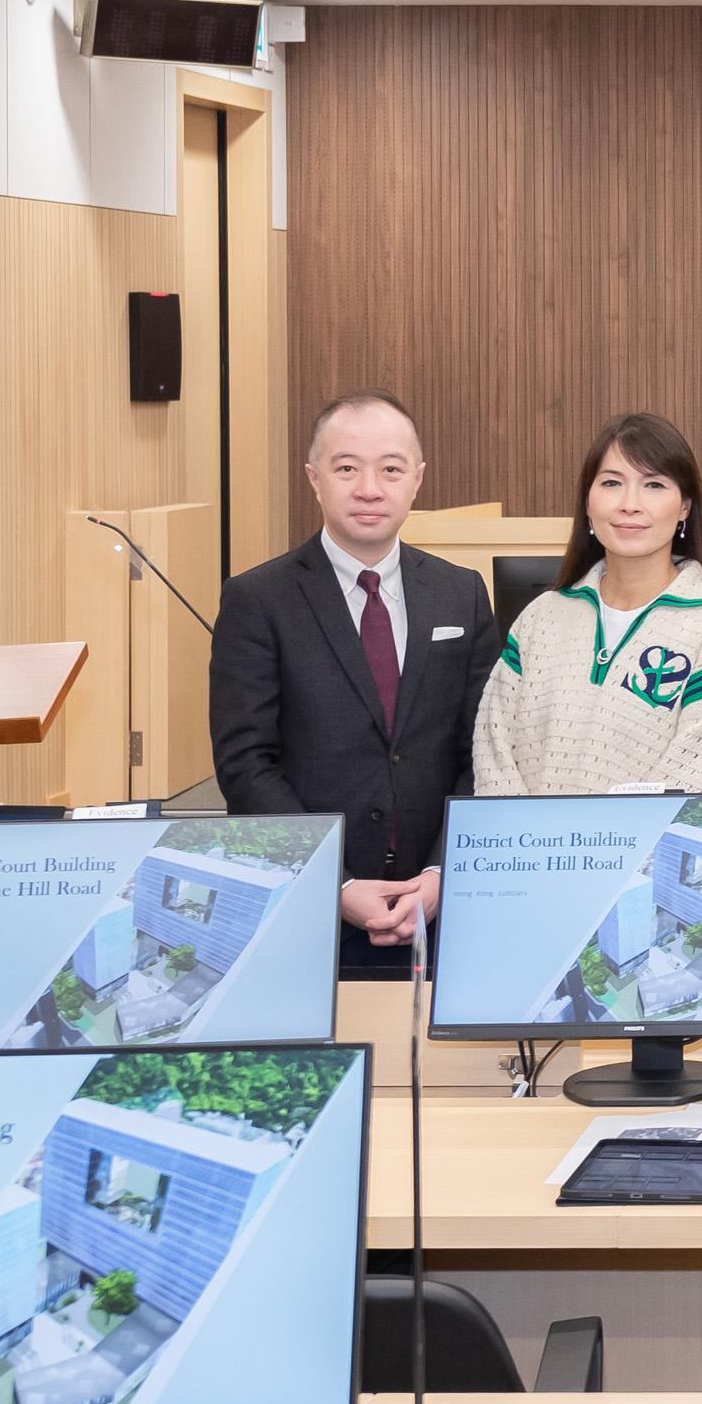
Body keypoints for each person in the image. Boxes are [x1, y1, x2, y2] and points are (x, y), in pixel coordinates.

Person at [209, 391, 498, 975]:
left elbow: (484, 751)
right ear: (315, 479)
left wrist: (444, 872)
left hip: (443, 909)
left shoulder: (460, 592)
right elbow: (246, 764)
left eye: (390, 469)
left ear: (417, 480)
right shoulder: (257, 600)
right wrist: (333, 882)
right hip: (308, 914)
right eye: (347, 468)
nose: (370, 488)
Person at [473, 412, 702, 796]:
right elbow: (493, 750)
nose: (630, 504)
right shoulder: (540, 618)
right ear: (588, 502)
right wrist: (528, 845)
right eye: (611, 483)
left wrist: (602, 851)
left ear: (685, 507)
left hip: (644, 856)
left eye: (654, 485)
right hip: (528, 852)